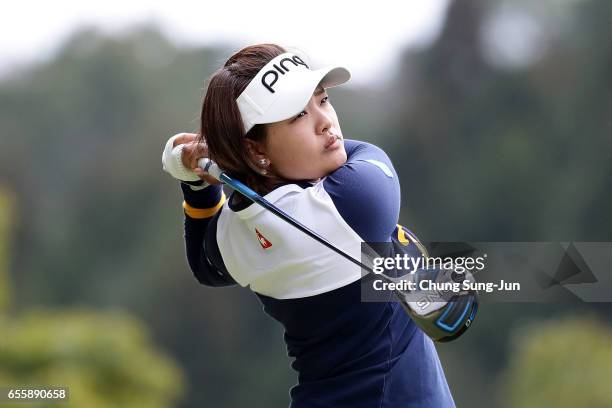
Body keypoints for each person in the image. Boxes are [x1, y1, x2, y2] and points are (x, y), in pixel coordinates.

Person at [162, 43, 456, 407]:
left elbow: (205, 265)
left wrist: (195, 181)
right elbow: (366, 156)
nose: (325, 122)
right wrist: (213, 159)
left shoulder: (233, 231)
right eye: (298, 115)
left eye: (322, 100)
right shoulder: (351, 202)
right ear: (256, 151)